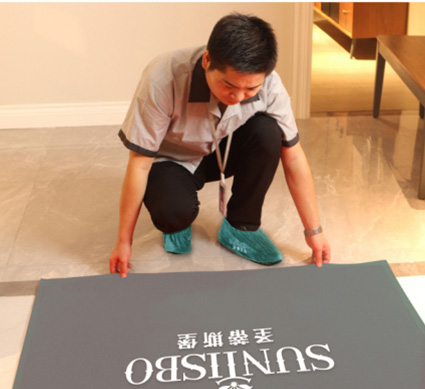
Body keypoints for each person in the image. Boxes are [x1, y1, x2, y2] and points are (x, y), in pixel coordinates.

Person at [109, 13, 331, 277]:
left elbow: (293, 157)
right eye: (228, 85)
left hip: (221, 151)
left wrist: (314, 231)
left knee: (268, 132)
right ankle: (177, 222)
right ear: (207, 61)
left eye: (250, 90)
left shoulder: (270, 84)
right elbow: (139, 165)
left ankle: (241, 226)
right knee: (173, 212)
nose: (238, 96)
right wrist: (124, 241)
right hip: (172, 159)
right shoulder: (163, 78)